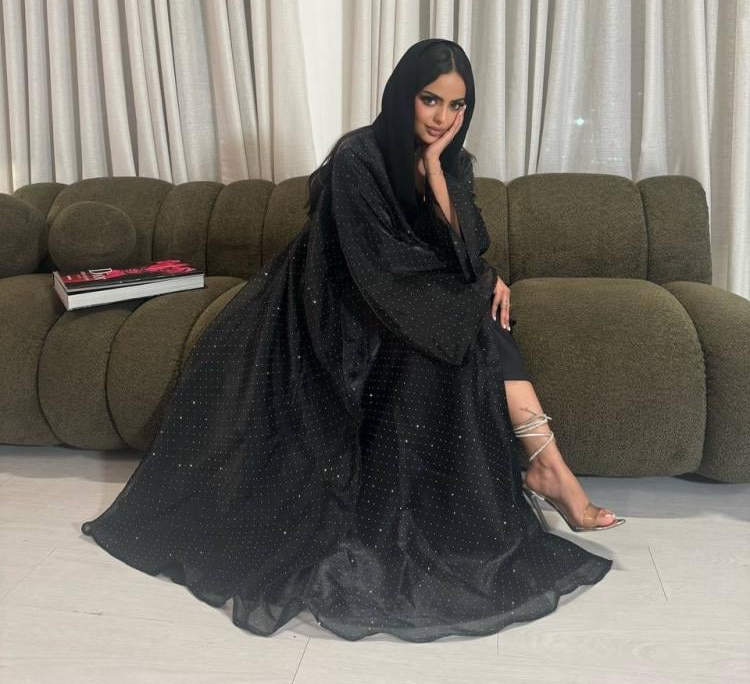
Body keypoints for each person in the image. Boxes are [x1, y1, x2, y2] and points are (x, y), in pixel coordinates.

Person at [81, 37, 623, 643]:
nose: (442, 118)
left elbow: (468, 250)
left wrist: (437, 172)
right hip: (334, 293)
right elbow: (375, 258)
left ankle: (549, 466)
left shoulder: (454, 163)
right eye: (430, 100)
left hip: (401, 287)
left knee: (477, 315)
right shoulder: (358, 157)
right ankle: (549, 468)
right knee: (468, 312)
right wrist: (472, 282)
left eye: (456, 106)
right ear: (403, 93)